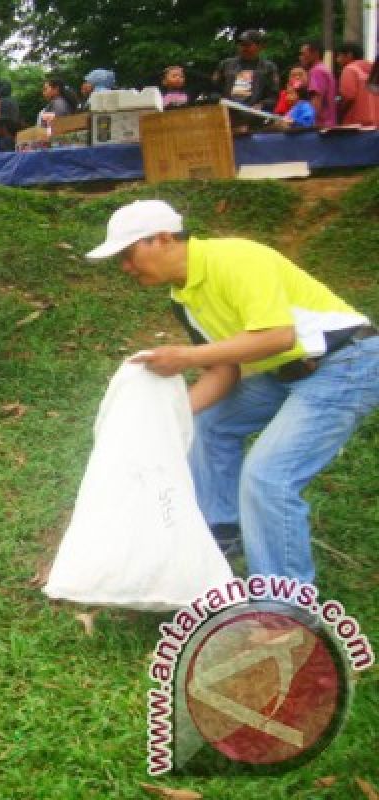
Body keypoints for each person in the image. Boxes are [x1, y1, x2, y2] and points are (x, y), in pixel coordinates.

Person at [86, 200, 379, 584]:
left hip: (346, 363)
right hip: (285, 373)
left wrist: (186, 356)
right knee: (209, 422)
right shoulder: (183, 299)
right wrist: (169, 416)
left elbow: (277, 336)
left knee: (269, 476)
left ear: (161, 239)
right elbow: (223, 372)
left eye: (127, 254)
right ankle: (222, 534)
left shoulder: (236, 258)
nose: (125, 267)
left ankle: (285, 607)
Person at [211, 29, 280, 111]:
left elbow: (273, 96)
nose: (244, 48)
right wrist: (219, 100)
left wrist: (262, 105)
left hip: (254, 114)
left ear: (259, 47)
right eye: (241, 45)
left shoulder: (269, 67)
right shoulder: (226, 65)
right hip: (227, 112)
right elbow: (213, 89)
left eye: (248, 45)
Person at [335, 41, 379, 125]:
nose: (337, 60)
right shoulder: (374, 69)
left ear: (349, 55)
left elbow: (348, 97)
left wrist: (339, 116)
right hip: (375, 126)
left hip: (356, 127)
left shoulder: (349, 69)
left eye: (339, 56)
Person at [297, 40, 337, 127]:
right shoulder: (324, 69)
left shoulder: (316, 71)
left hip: (320, 127)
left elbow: (315, 105)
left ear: (315, 53)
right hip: (329, 124)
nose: (301, 57)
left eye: (303, 54)